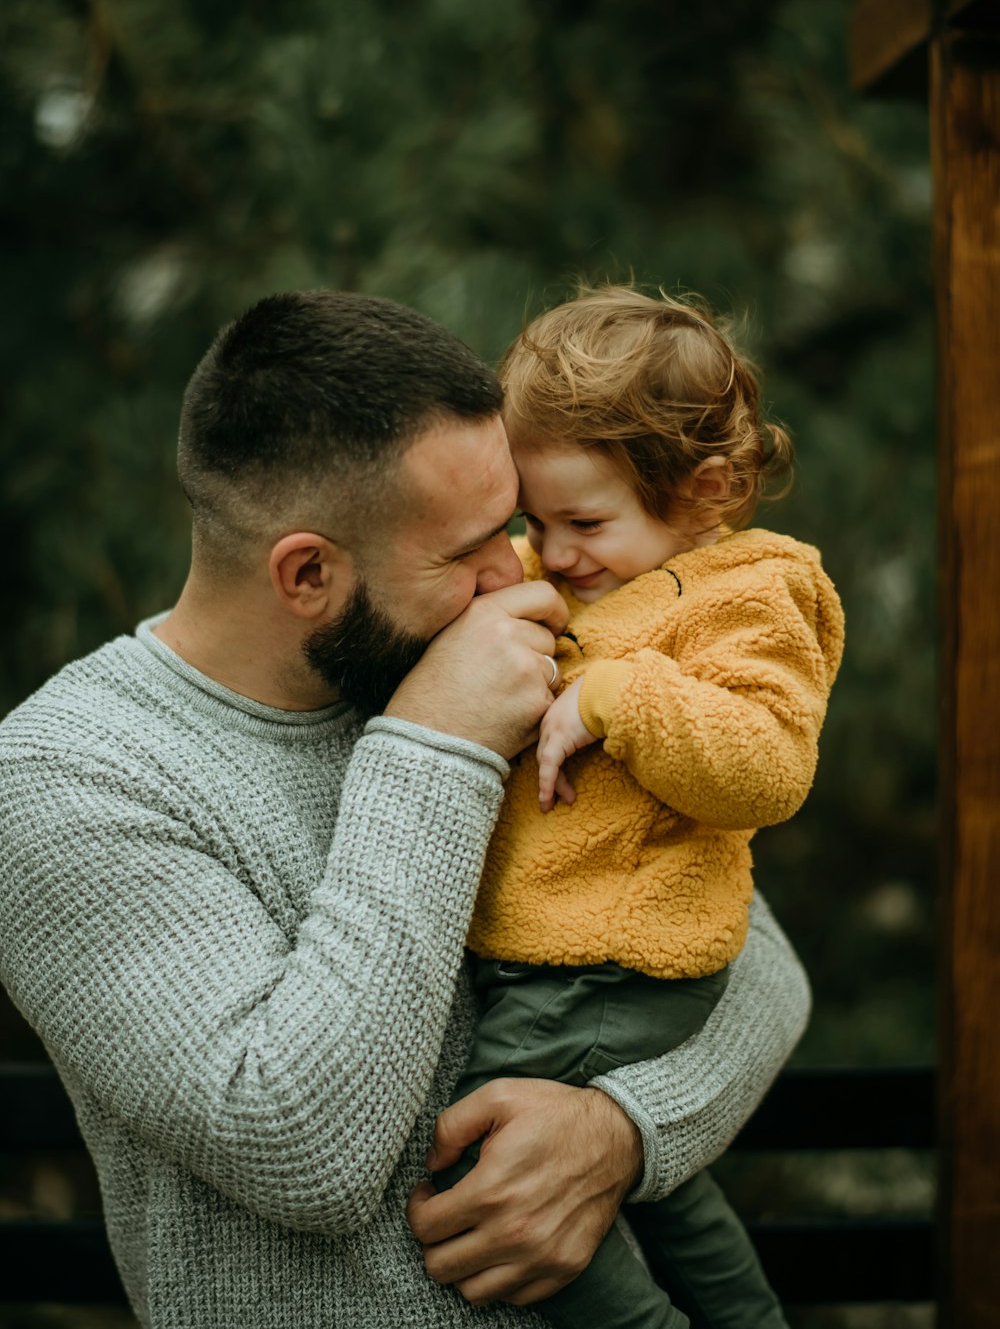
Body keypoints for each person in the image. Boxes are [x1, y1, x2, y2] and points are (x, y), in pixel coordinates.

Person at [0, 290, 811, 1329]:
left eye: (514, 525)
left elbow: (762, 961)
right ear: (308, 573)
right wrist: (437, 742)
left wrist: (622, 1129)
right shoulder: (72, 773)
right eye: (469, 549)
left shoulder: (496, 655)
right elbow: (303, 1145)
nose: (519, 578)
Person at [438, 285, 845, 1328]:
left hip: (613, 958)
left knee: (496, 1162)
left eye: (583, 521)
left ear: (703, 489)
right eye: (534, 518)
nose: (555, 549)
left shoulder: (753, 592)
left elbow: (765, 767)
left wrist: (623, 696)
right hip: (563, 951)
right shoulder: (562, 571)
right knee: (657, 1191)